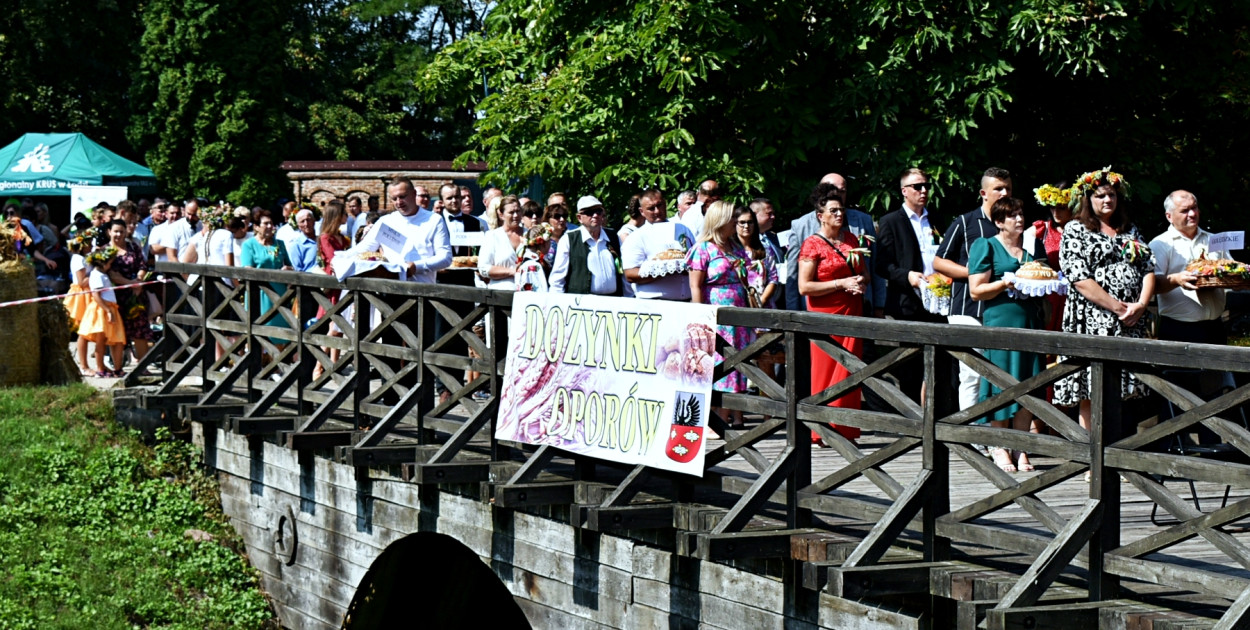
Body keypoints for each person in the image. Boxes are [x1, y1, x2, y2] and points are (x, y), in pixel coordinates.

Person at [1053, 167, 1154, 441]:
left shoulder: (1129, 229)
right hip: (1092, 319)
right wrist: (1118, 307)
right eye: (1100, 196)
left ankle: (1115, 452)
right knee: (1091, 387)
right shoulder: (1075, 230)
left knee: (1121, 389)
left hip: (1129, 321)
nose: (1107, 200)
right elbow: (1078, 277)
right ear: (1088, 199)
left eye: (1111, 195)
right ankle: (1092, 455)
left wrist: (1141, 305)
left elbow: (1148, 268)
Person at [934, 168, 1041, 413]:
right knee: (972, 373)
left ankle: (998, 437)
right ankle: (972, 437)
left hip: (1005, 311)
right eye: (998, 189)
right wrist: (975, 276)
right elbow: (939, 262)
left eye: (1008, 189)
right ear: (983, 193)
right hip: (969, 308)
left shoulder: (1017, 223)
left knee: (1003, 374)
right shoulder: (965, 222)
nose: (1004, 193)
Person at [967, 198, 1044, 473]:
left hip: (1029, 325)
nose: (1019, 219)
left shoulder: (1028, 253)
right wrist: (1004, 282)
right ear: (999, 222)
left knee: (1027, 384)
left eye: (1021, 213)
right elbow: (976, 290)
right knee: (1001, 385)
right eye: (1012, 215)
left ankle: (1020, 447)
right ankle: (999, 446)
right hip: (1000, 325)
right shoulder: (986, 245)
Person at [688, 201, 774, 428]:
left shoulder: (735, 248)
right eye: (731, 219)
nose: (735, 223)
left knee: (734, 367)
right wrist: (700, 317)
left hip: (738, 319)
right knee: (714, 367)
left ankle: (723, 419)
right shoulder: (703, 249)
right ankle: (710, 422)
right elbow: (696, 286)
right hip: (715, 318)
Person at [797, 184, 868, 443]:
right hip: (826, 313)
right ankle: (823, 428)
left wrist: (860, 281)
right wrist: (840, 284)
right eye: (833, 211)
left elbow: (865, 274)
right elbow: (804, 286)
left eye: (842, 210)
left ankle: (845, 427)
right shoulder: (812, 244)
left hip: (852, 310)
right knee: (826, 369)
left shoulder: (852, 240)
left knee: (850, 369)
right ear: (820, 215)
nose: (839, 214)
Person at [875, 168, 947, 403]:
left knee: (942, 365)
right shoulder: (890, 221)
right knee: (911, 368)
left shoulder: (936, 218)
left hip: (939, 298)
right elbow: (882, 265)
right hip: (909, 301)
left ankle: (939, 421)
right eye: (917, 187)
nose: (924, 191)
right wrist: (908, 276)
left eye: (927, 186)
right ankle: (911, 427)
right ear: (904, 191)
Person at [787, 173, 884, 316]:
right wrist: (792, 316)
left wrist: (878, 304)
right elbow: (793, 277)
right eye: (833, 189)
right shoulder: (801, 226)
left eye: (842, 191)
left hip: (859, 307)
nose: (837, 194)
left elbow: (875, 267)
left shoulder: (861, 224)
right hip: (822, 312)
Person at [1149, 190, 1230, 345]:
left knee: (1216, 370)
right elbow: (1151, 284)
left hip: (1216, 327)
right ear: (1169, 216)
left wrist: (1239, 279)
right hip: (1178, 329)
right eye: (1185, 211)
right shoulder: (1160, 244)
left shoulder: (1214, 240)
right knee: (1178, 370)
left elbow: (1231, 270)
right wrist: (1176, 280)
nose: (1192, 214)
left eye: (1194, 208)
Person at [622, 188, 695, 301]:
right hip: (654, 302)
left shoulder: (682, 229)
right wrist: (663, 270)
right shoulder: (636, 237)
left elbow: (696, 257)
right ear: (642, 211)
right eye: (651, 208)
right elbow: (630, 274)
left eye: (660, 205)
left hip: (686, 300)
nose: (657, 211)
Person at [549, 196, 624, 296]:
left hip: (613, 302)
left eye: (598, 211)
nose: (595, 215)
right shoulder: (569, 239)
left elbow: (624, 272)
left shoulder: (613, 236)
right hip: (581, 305)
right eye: (589, 212)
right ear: (579, 218)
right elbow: (558, 278)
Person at [105, 219, 157, 362]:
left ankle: (143, 365)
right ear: (109, 232)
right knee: (117, 331)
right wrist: (131, 283)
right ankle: (117, 365)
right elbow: (112, 274)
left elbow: (142, 265)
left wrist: (139, 281)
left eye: (122, 231)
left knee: (140, 331)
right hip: (116, 297)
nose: (118, 234)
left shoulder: (133, 247)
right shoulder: (104, 251)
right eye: (115, 231)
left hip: (136, 295)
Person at [1025, 183, 1073, 331]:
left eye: (1061, 208)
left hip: (1074, 297)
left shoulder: (1084, 231)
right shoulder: (1041, 229)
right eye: (1052, 207)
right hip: (1048, 298)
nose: (1056, 212)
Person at [240, 210, 294, 339]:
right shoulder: (249, 245)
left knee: (281, 334)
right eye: (266, 224)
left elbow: (290, 266)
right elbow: (247, 269)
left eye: (272, 223)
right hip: (259, 294)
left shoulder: (279, 244)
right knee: (260, 333)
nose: (270, 226)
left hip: (279, 293)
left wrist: (288, 269)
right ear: (256, 227)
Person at [79, 246, 127, 378]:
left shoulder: (103, 275)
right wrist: (107, 310)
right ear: (101, 262)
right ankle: (100, 368)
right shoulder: (96, 275)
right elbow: (96, 295)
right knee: (101, 340)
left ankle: (118, 368)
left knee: (117, 339)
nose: (111, 265)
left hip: (111, 308)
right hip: (102, 310)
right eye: (110, 262)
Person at [477, 196, 528, 290]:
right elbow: (483, 268)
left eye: (518, 211)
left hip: (528, 292)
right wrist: (511, 272)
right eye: (511, 212)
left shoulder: (529, 234)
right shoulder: (492, 236)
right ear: (501, 215)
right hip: (501, 293)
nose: (516, 215)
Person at [64, 228, 95, 375]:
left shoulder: (85, 257)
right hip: (81, 295)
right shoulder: (78, 259)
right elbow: (82, 281)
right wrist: (98, 272)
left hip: (87, 293)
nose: (91, 245)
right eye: (89, 243)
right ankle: (83, 365)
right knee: (83, 331)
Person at [749, 198, 783, 307]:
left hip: (776, 297)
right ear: (754, 215)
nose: (773, 217)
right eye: (769, 214)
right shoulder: (743, 243)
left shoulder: (773, 238)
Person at [287, 208, 320, 273]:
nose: (306, 224)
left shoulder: (322, 240)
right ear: (298, 226)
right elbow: (297, 270)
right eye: (302, 221)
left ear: (314, 221)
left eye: (308, 220)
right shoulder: (296, 245)